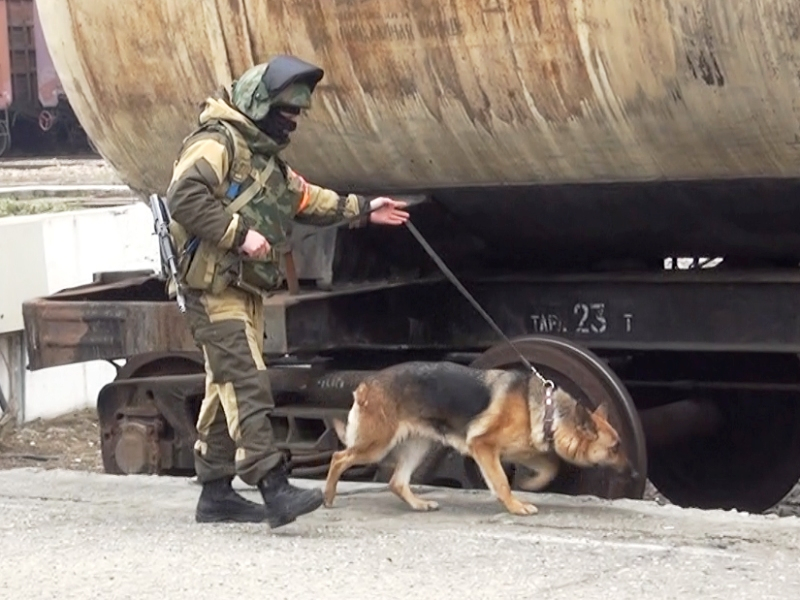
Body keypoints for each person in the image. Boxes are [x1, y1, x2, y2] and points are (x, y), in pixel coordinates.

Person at [164, 54, 410, 528]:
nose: (292, 122)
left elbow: (305, 199)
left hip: (242, 287)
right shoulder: (216, 143)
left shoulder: (263, 158)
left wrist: (364, 208)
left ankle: (214, 493)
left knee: (224, 386)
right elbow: (185, 197)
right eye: (286, 112)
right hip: (213, 288)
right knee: (247, 381)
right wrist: (239, 234)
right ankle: (272, 486)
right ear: (259, 106)